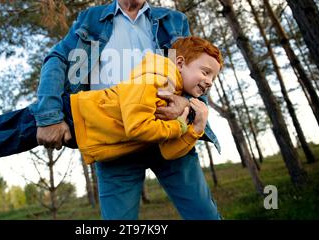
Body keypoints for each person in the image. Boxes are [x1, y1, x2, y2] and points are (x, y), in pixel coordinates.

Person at [0, 0, 221, 219]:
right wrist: (51, 116)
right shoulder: (92, 19)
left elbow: (197, 73)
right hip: (109, 135)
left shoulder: (173, 21)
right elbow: (57, 60)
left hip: (169, 135)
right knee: (42, 116)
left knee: (204, 215)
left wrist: (188, 108)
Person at [73, 36, 222, 164]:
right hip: (76, 116)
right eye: (205, 72)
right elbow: (137, 128)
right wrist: (179, 127)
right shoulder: (154, 79)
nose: (209, 81)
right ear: (180, 64)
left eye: (213, 78)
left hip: (90, 133)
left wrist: (197, 129)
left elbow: (168, 152)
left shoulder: (175, 99)